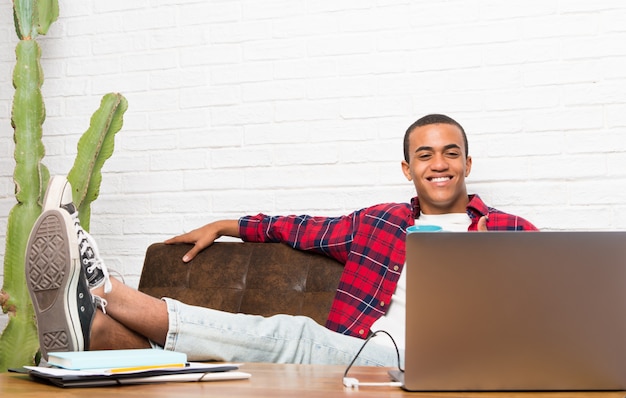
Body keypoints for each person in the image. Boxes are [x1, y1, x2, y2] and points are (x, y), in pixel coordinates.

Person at [25, 114, 538, 367]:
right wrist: (226, 225)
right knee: (231, 373)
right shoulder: (379, 224)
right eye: (425, 155)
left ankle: (101, 287)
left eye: (451, 153)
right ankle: (95, 330)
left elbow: (558, 307)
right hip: (364, 355)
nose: (440, 164)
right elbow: (296, 228)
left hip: (438, 363)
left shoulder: (511, 233)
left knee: (295, 335)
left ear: (468, 164)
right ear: (408, 169)